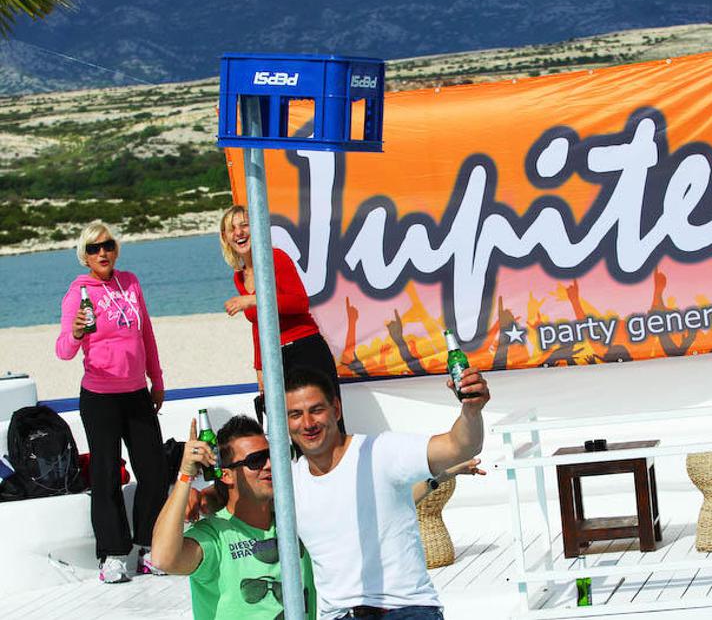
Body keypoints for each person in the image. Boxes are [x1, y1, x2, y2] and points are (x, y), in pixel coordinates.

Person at [285, 365, 489, 619]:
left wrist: (471, 410)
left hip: (404, 610)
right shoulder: (288, 483)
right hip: (338, 615)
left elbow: (460, 446)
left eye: (316, 410)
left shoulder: (380, 451)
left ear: (336, 409)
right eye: (295, 414)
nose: (307, 423)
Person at [55, 221, 168, 584]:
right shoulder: (77, 293)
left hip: (136, 393)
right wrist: (76, 332)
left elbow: (146, 334)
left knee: (154, 471)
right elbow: (63, 351)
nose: (101, 253)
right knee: (105, 476)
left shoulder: (130, 282)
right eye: (93, 248)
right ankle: (113, 555)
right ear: (84, 256)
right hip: (100, 397)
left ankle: (149, 548)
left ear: (116, 249)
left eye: (107, 245)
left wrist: (157, 380)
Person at [150, 415, 318, 619]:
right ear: (227, 475)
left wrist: (205, 494)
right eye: (255, 461)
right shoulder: (215, 536)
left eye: (272, 456)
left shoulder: (296, 516)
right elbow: (162, 559)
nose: (269, 465)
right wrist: (185, 476)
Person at [218, 204, 343, 428]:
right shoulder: (239, 277)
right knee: (294, 428)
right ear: (226, 238)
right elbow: (258, 326)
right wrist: (260, 369)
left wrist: (254, 299)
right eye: (232, 229)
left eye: (244, 225)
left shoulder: (275, 257)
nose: (239, 232)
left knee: (327, 424)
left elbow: (299, 303)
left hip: (305, 350)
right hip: (275, 358)